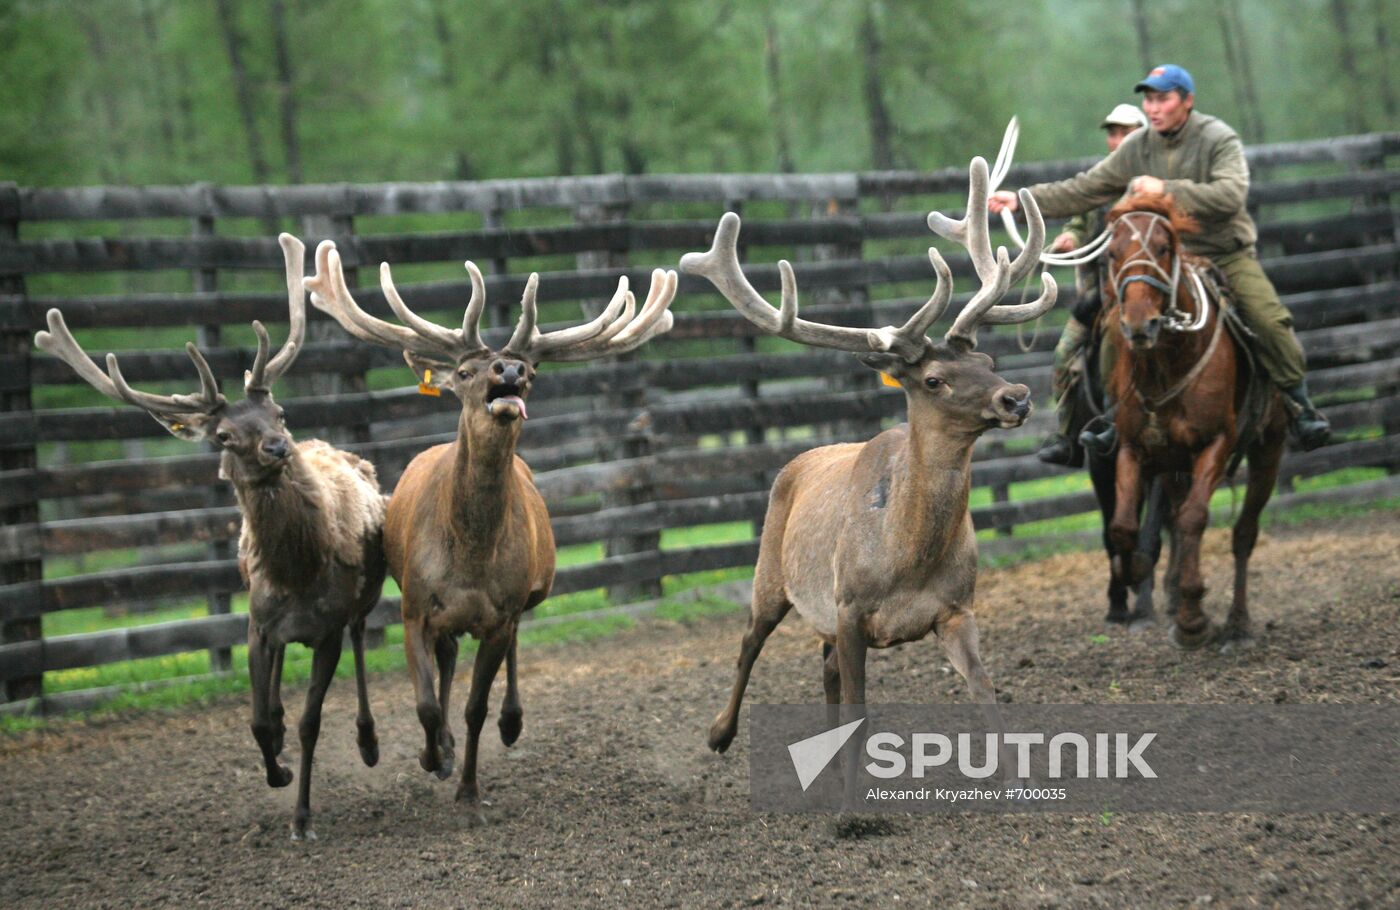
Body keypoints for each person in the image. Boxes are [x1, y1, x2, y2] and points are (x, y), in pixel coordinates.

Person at [990, 64, 1331, 453]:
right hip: (1160, 260)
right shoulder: (1138, 146)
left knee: (1269, 320)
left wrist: (1165, 188)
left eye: (1163, 98)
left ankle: (1299, 405)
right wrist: (1022, 199)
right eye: (1149, 99)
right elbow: (1087, 188)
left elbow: (1230, 196)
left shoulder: (1218, 138)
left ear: (1187, 101)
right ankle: (1113, 415)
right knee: (1113, 327)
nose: (1153, 107)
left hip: (1222, 253)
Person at [1038, 103, 1148, 466]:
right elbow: (1078, 221)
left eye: (1125, 132)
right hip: (1101, 296)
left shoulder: (1156, 181)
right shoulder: (1099, 182)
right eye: (1113, 133)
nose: (1117, 140)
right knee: (1065, 354)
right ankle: (1068, 436)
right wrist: (1069, 238)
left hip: (1150, 296)